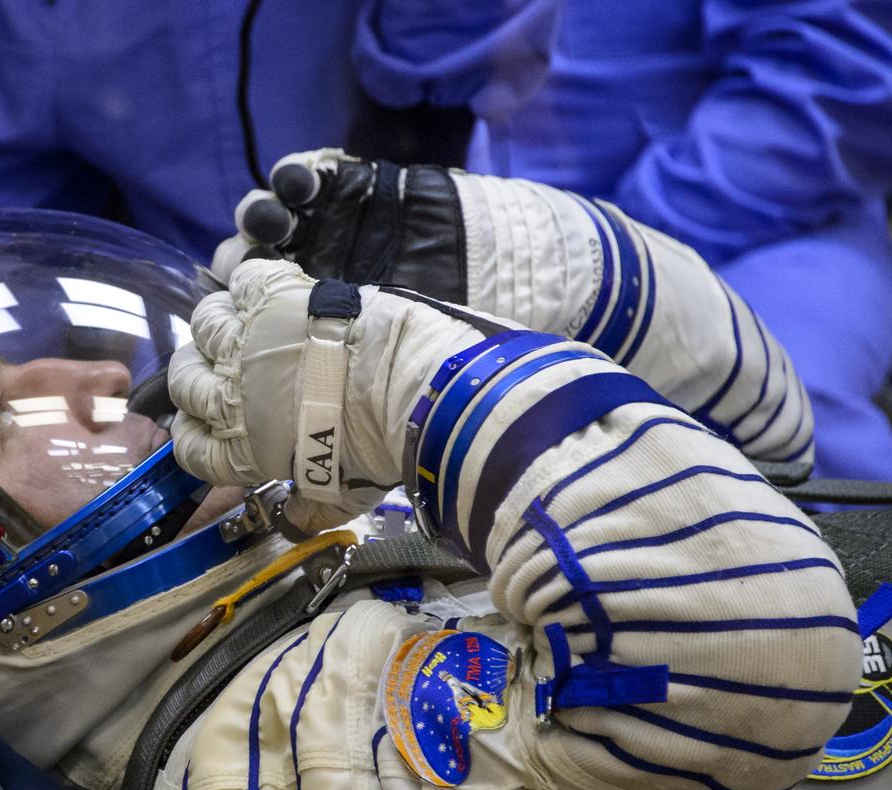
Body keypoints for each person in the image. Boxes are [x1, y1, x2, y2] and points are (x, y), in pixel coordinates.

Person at [0, 179, 862, 790]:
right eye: (5, 412)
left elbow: (768, 457)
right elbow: (752, 651)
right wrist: (401, 383)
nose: (93, 375)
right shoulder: (255, 759)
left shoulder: (285, 554)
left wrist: (516, 270)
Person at [353, 1, 892, 481]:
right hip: (485, 229)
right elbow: (402, 68)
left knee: (775, 417)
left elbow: (839, 80)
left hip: (761, 225)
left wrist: (617, 256)